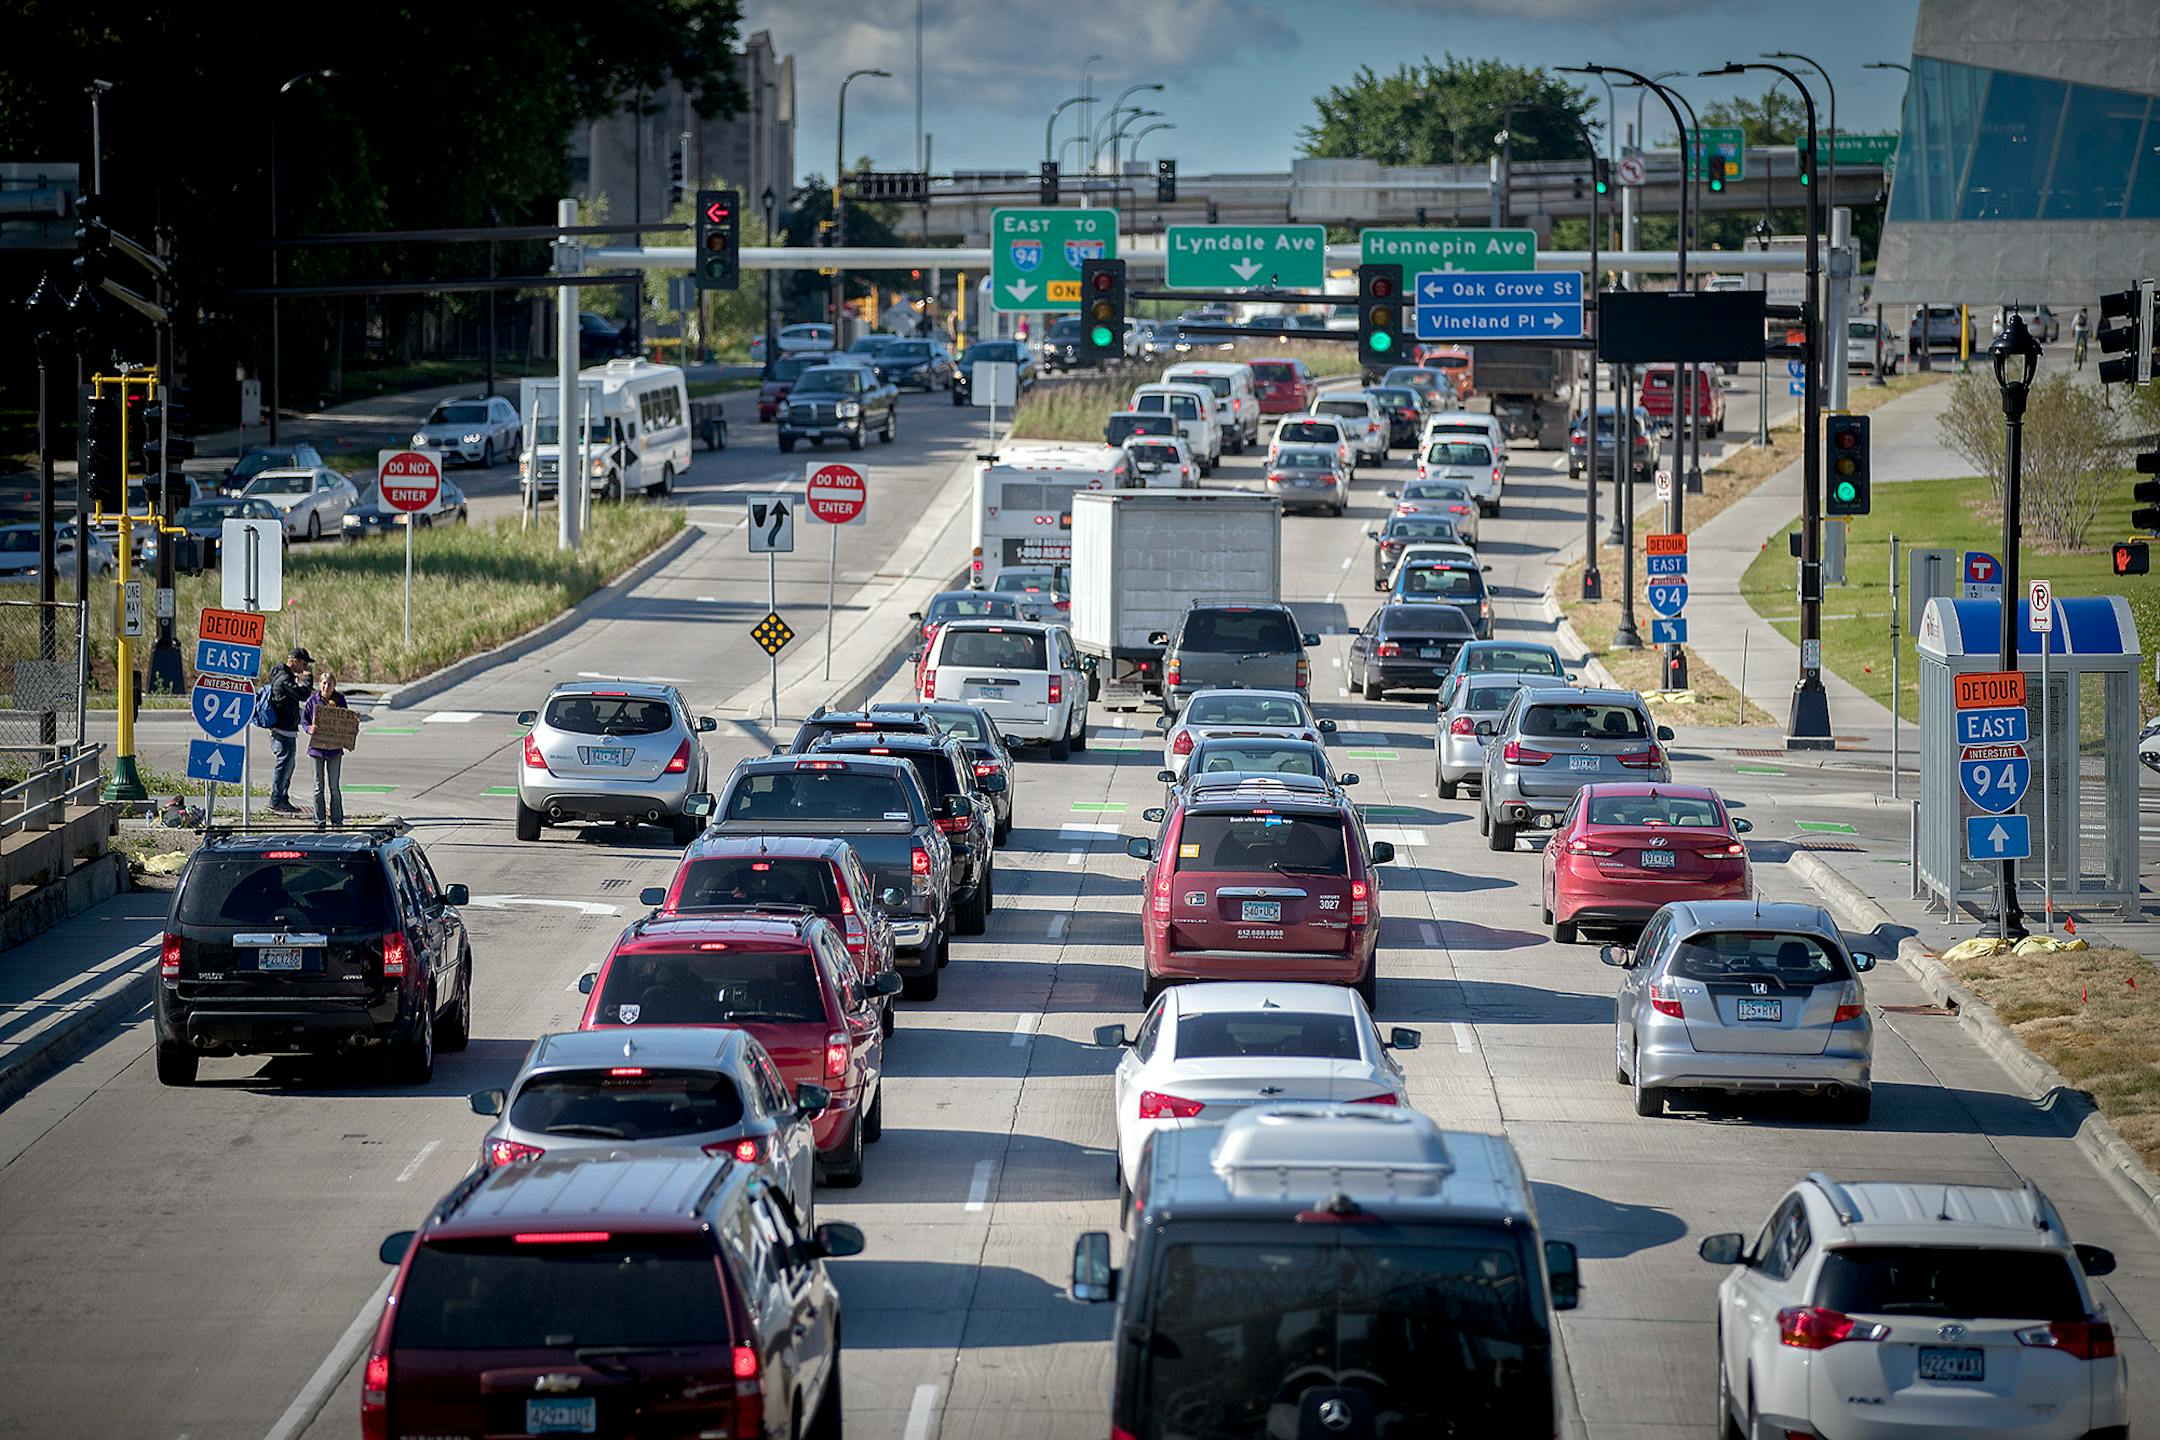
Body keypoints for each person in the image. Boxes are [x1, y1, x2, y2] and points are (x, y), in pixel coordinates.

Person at [302, 667, 353, 828]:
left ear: (334, 685)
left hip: (334, 749)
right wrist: (309, 728)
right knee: (318, 787)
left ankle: (337, 820)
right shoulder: (312, 701)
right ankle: (319, 820)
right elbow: (304, 720)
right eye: (324, 683)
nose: (326, 687)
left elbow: (347, 719)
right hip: (317, 749)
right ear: (320, 684)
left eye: (329, 684)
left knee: (334, 786)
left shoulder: (339, 700)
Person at [264, 648, 312, 814]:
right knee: (283, 765)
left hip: (286, 731)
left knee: (288, 766)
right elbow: (303, 694)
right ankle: (276, 800)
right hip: (282, 732)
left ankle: (283, 799)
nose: (305, 668)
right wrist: (307, 679)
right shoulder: (284, 679)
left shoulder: (284, 676)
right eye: (304, 664)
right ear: (294, 660)